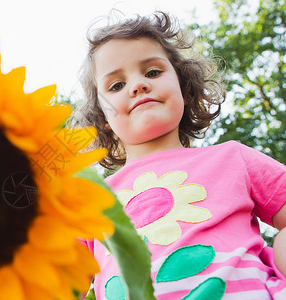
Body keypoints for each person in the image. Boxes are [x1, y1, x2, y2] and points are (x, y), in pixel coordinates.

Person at [74, 11, 286, 300]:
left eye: (152, 72)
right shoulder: (90, 202)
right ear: (103, 118)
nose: (138, 85)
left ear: (183, 89)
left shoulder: (233, 158)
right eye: (116, 85)